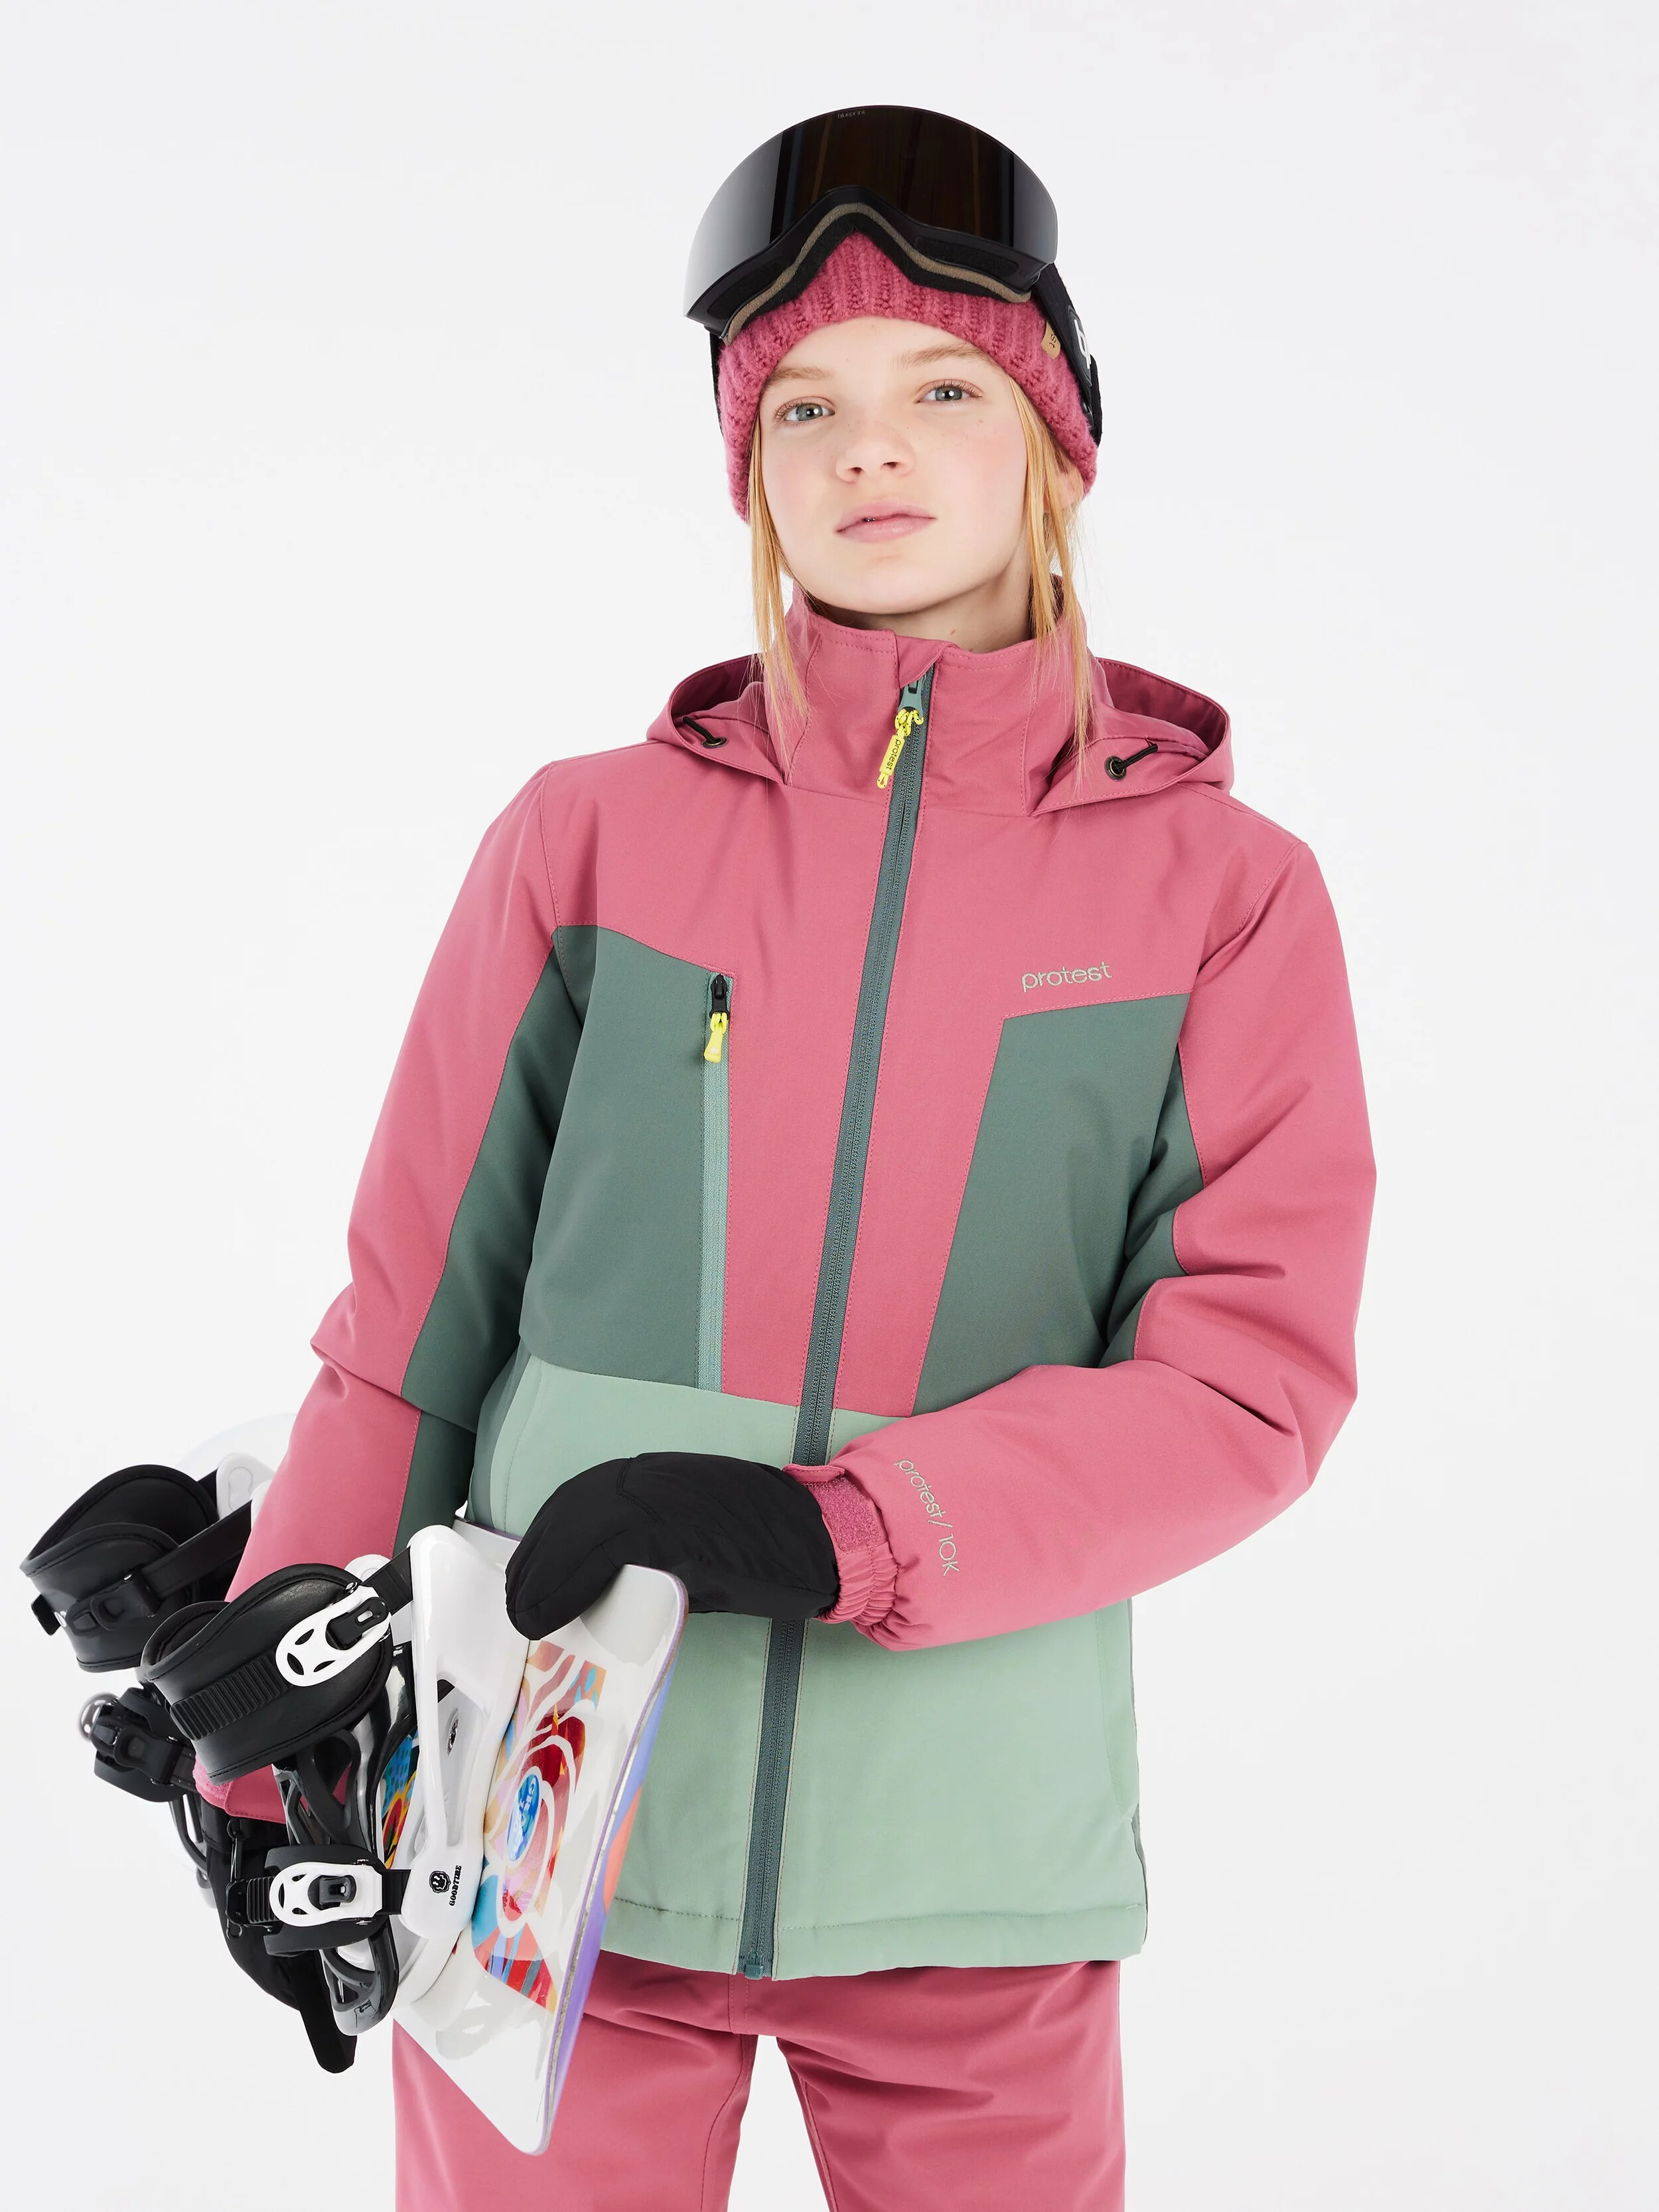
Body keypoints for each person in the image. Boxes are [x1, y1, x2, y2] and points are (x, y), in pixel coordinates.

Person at [206, 105, 1374, 2212]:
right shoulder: (587, 841)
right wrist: (263, 1725)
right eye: (804, 408)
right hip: (538, 1847)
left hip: (971, 1860)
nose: (867, 450)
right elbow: (410, 1329)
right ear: (747, 469)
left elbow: (1244, 1390)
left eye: (942, 389)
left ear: (1055, 441)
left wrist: (843, 1532)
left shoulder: (1223, 894)